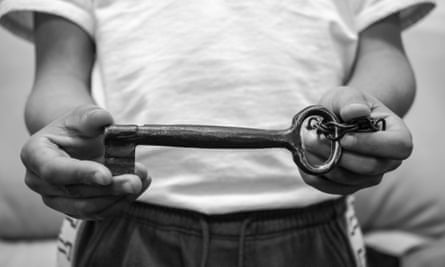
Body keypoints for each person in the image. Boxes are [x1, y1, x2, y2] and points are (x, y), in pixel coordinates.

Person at [0, 1, 435, 266]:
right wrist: (71, 134)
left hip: (315, 223)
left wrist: (360, 112)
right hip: (120, 222)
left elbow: (385, 58)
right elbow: (58, 75)